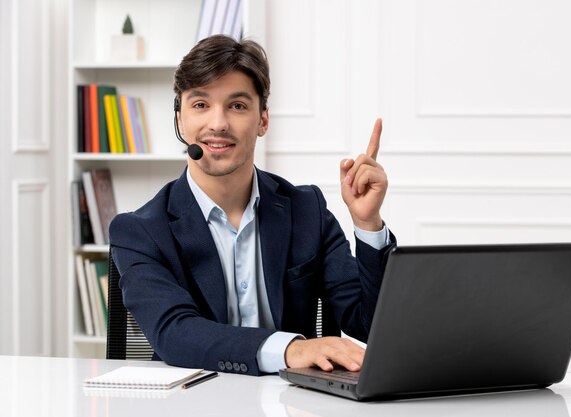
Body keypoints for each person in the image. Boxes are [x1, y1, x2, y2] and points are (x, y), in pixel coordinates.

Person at [109, 35, 396, 376]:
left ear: (262, 120)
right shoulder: (140, 231)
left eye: (237, 106)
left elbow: (372, 325)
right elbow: (174, 333)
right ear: (180, 122)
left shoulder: (308, 211)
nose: (218, 123)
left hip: (293, 405)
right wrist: (290, 349)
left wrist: (368, 225)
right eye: (200, 105)